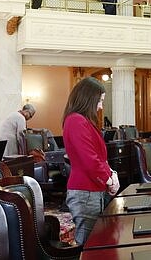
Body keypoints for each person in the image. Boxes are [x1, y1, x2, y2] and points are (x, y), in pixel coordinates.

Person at [63, 77, 119, 245]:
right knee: (88, 245)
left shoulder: (84, 120)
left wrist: (112, 175)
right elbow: (90, 160)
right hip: (84, 192)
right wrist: (109, 180)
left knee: (97, 241)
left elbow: (100, 158)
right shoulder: (75, 120)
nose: (101, 106)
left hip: (92, 189)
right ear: (88, 98)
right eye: (100, 101)